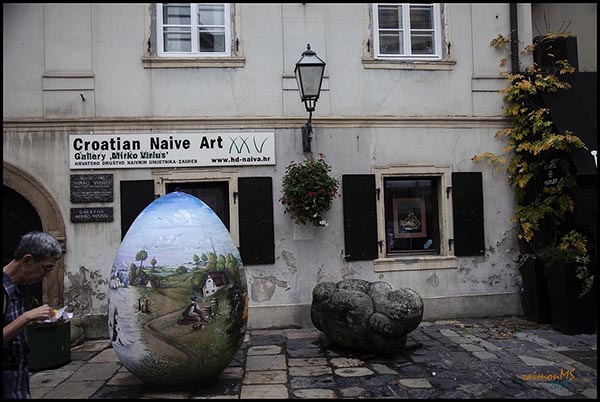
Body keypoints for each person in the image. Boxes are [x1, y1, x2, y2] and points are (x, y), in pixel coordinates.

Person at [3, 231, 63, 399]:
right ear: (27, 260)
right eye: (46, 268)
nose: (46, 275)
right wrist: (26, 317)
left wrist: (35, 321)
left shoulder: (18, 288)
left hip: (18, 379)